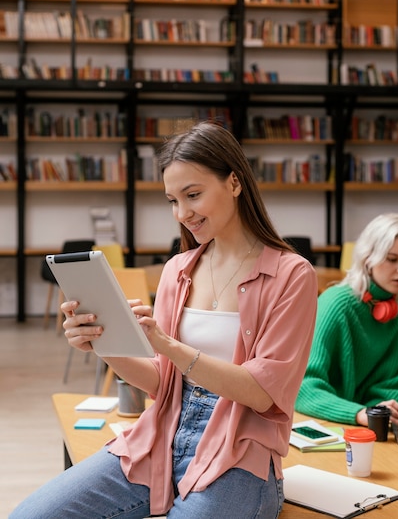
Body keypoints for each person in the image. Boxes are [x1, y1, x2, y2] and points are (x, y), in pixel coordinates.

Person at [10, 121, 317, 519]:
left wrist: (167, 344)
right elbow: (162, 380)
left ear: (235, 183)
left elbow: (262, 394)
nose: (182, 213)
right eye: (173, 200)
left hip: (241, 454)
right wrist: (101, 343)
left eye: (193, 195)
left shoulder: (292, 275)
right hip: (161, 434)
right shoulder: (178, 270)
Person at [296, 212, 398, 428]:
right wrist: (361, 413)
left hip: (368, 429)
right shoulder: (335, 305)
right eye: (392, 259)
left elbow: (393, 393)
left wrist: (384, 410)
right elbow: (303, 388)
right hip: (319, 424)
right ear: (368, 258)